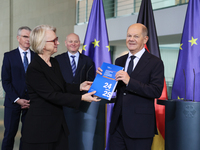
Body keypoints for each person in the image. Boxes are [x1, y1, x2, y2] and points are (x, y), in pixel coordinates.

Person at [21, 25, 100, 150]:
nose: (57, 42)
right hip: (41, 130)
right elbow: (51, 95)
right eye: (54, 40)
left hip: (58, 126)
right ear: (42, 43)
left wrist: (79, 87)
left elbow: (62, 86)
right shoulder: (34, 68)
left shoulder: (54, 62)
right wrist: (81, 98)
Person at [97, 23, 164, 150]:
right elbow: (116, 87)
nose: (131, 39)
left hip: (140, 127)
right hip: (118, 126)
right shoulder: (119, 60)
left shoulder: (155, 62)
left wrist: (130, 81)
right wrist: (102, 78)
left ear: (145, 39)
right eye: (129, 36)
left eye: (136, 36)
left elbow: (156, 91)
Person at [55, 33, 95, 150]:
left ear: (79, 43)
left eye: (76, 41)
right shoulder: (57, 60)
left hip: (81, 106)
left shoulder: (87, 61)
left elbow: (90, 82)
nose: (73, 44)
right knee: (63, 137)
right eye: (70, 41)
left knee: (78, 137)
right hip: (62, 105)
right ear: (66, 43)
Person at [1, 26, 34, 150]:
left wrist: (32, 99)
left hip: (31, 103)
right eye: (25, 36)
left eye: (30, 37)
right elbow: (6, 81)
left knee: (27, 136)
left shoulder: (36, 57)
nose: (28, 39)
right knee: (9, 134)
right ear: (18, 38)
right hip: (13, 102)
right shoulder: (9, 56)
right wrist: (17, 99)